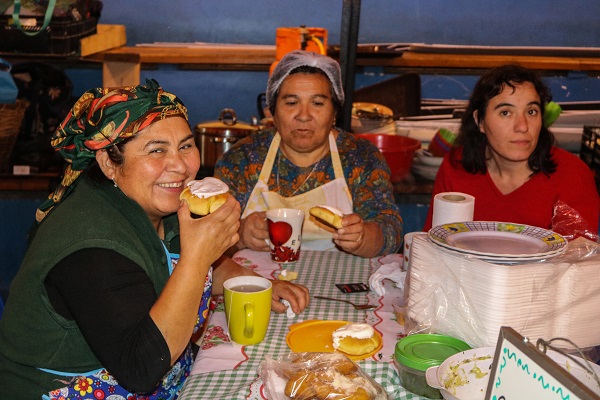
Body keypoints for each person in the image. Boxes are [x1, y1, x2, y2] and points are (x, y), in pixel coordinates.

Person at [0, 79, 310, 399]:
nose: (180, 166)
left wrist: (253, 283)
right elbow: (141, 369)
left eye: (185, 146)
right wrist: (197, 258)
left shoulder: (160, 206)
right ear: (108, 162)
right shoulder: (90, 245)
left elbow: (182, 262)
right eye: (157, 150)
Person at [214, 50, 403, 258]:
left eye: (317, 103)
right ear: (273, 113)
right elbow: (206, 233)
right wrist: (241, 234)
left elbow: (390, 231)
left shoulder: (361, 158)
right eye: (291, 103)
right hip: (256, 277)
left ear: (334, 113)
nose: (304, 116)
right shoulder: (243, 159)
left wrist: (363, 237)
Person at [423, 64, 599, 235]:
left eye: (531, 112)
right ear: (480, 121)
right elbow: (434, 244)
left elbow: (579, 253)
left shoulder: (572, 175)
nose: (522, 126)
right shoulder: (456, 167)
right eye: (505, 112)